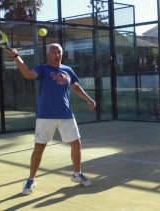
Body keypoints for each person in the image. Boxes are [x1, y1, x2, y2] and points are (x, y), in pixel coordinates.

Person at [6, 43, 96, 195]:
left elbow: (74, 86)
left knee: (76, 143)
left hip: (66, 114)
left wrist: (88, 99)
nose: (57, 54)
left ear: (62, 54)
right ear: (48, 54)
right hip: (46, 115)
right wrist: (16, 57)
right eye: (53, 51)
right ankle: (31, 180)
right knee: (40, 148)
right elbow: (28, 74)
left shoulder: (68, 70)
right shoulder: (43, 68)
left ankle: (77, 174)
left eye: (59, 52)